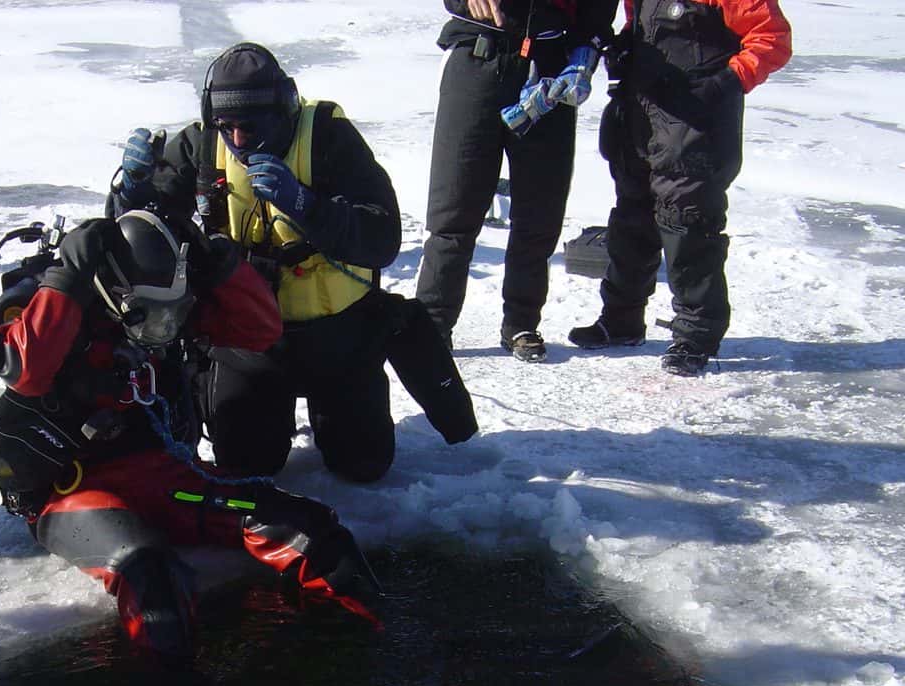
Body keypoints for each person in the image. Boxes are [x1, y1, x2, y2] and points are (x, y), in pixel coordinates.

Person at [0, 209, 379, 667]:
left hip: (165, 476)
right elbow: (25, 371)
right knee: (151, 577)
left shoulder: (171, 307)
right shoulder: (44, 301)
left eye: (175, 312)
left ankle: (364, 659)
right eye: (152, 313)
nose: (164, 329)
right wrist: (67, 279)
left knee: (310, 529)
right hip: (73, 490)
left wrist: (221, 266)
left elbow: (260, 331)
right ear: (114, 293)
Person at [107, 43, 476, 485]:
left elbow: (382, 238)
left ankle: (343, 414)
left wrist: (306, 205)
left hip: (340, 335)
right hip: (247, 341)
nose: (239, 141)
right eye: (227, 127)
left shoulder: (328, 137)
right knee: (247, 466)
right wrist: (131, 192)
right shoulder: (203, 145)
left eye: (252, 127)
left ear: (285, 108)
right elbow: (143, 234)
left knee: (363, 466)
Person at [566, 0, 792, 375]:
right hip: (643, 114)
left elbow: (773, 39)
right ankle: (621, 320)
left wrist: (725, 83)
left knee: (688, 225)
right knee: (631, 220)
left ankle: (696, 335)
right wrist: (624, 47)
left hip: (695, 121)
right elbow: (644, 28)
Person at [415, 0, 618, 361]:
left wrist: (587, 49)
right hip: (478, 57)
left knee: (540, 209)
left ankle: (521, 323)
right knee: (454, 208)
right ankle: (432, 324)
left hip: (551, 66)